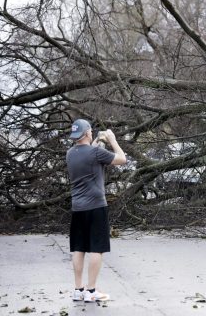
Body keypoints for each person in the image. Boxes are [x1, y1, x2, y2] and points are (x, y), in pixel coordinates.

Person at [66, 119, 126, 302]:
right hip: (96, 207)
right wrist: (112, 139)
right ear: (86, 134)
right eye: (90, 131)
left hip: (78, 208)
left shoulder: (70, 153)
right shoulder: (95, 152)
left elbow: (89, 153)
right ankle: (91, 291)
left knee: (79, 248)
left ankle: (78, 289)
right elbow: (122, 159)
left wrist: (98, 141)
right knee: (96, 250)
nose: (92, 133)